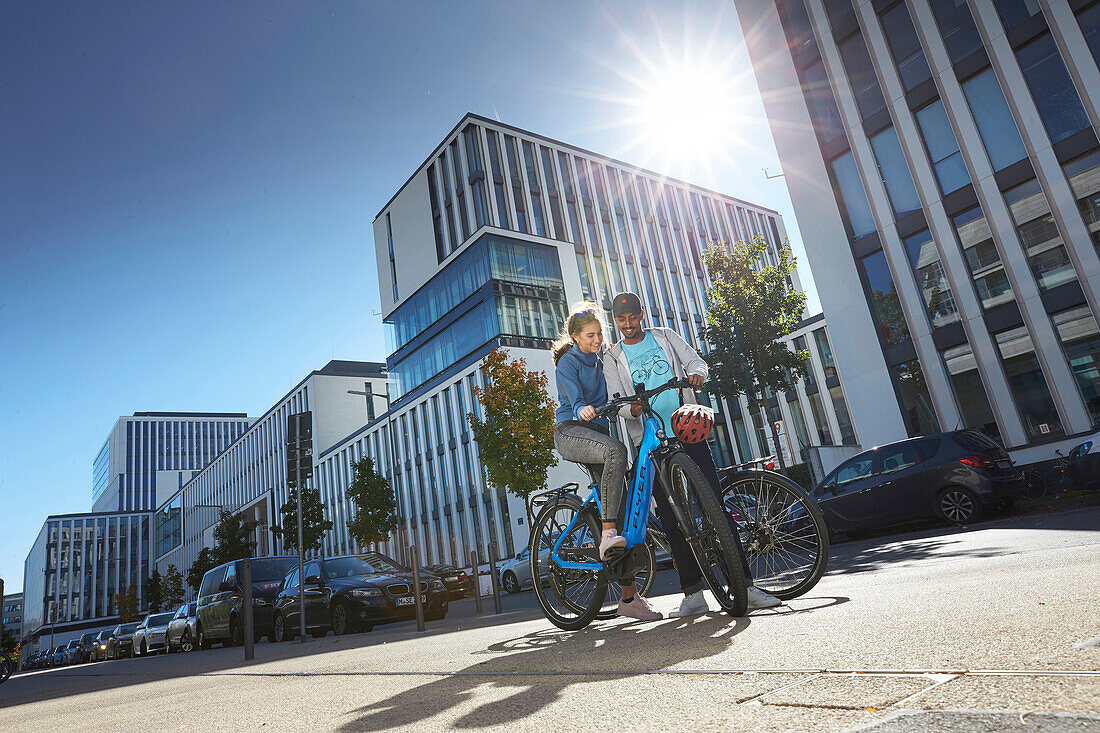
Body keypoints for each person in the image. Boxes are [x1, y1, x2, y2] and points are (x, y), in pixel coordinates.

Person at [603, 291, 782, 617]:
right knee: (673, 520)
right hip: (652, 443)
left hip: (686, 428)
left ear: (642, 314)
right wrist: (632, 407)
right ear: (615, 320)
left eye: (632, 317)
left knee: (714, 504)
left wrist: (698, 373)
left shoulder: (666, 336)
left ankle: (746, 587)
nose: (627, 324)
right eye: (620, 319)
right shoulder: (612, 357)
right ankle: (692, 594)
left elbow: (695, 360)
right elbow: (618, 404)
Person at [551, 303, 662, 621]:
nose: (597, 339)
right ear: (575, 337)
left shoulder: (605, 357)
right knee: (617, 451)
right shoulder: (568, 363)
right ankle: (607, 533)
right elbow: (575, 399)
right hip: (572, 430)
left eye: (599, 334)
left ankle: (629, 599)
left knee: (624, 505)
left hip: (597, 435)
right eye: (590, 335)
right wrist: (583, 407)